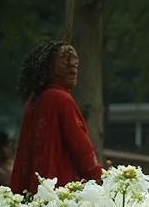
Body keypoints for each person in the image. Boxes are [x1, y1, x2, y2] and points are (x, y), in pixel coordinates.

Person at [11, 41, 104, 194]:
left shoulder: (34, 100)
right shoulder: (62, 99)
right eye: (65, 65)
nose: (73, 69)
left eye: (75, 65)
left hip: (32, 188)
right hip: (59, 190)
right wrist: (100, 177)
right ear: (49, 69)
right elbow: (81, 148)